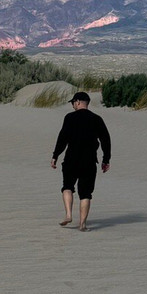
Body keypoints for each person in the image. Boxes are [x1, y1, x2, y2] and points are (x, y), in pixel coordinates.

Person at [50, 91, 111, 231]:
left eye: (73, 103)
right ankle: (82, 224)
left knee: (67, 187)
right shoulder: (97, 119)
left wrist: (55, 155)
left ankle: (68, 215)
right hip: (89, 161)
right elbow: (105, 140)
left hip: (71, 158)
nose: (72, 105)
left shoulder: (70, 118)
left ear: (77, 102)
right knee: (85, 193)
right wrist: (106, 159)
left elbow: (62, 138)